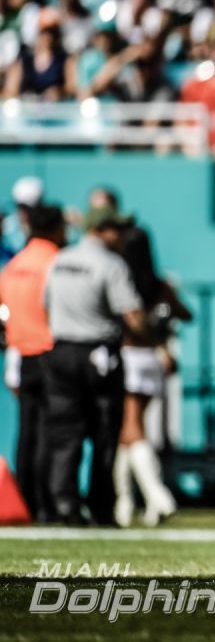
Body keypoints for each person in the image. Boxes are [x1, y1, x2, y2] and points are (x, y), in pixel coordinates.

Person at [42, 206, 146, 525]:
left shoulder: (60, 260)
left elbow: (45, 306)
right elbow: (133, 316)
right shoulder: (111, 264)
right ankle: (101, 506)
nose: (125, 237)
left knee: (65, 433)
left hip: (60, 351)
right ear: (101, 229)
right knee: (104, 430)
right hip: (98, 353)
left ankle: (64, 503)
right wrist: (151, 333)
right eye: (119, 230)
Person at [113, 225, 192, 527]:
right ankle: (127, 502)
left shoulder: (121, 280)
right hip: (152, 358)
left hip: (129, 356)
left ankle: (156, 494)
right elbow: (186, 313)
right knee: (127, 432)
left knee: (131, 428)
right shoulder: (159, 285)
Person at [0, 204, 64, 521]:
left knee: (27, 431)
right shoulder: (54, 262)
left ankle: (24, 497)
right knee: (51, 431)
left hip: (20, 352)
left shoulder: (14, 265)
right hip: (49, 351)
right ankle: (45, 501)